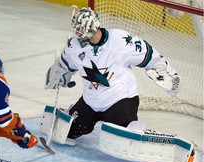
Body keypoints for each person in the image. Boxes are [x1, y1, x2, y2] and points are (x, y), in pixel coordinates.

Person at [45, 7, 180, 145]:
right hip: (90, 101)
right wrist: (59, 75)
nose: (77, 33)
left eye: (80, 29)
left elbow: (148, 54)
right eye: (76, 28)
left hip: (120, 100)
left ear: (91, 28)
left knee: (123, 138)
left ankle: (133, 129)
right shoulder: (74, 46)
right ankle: (76, 115)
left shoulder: (120, 41)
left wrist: (164, 73)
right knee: (68, 131)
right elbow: (64, 64)